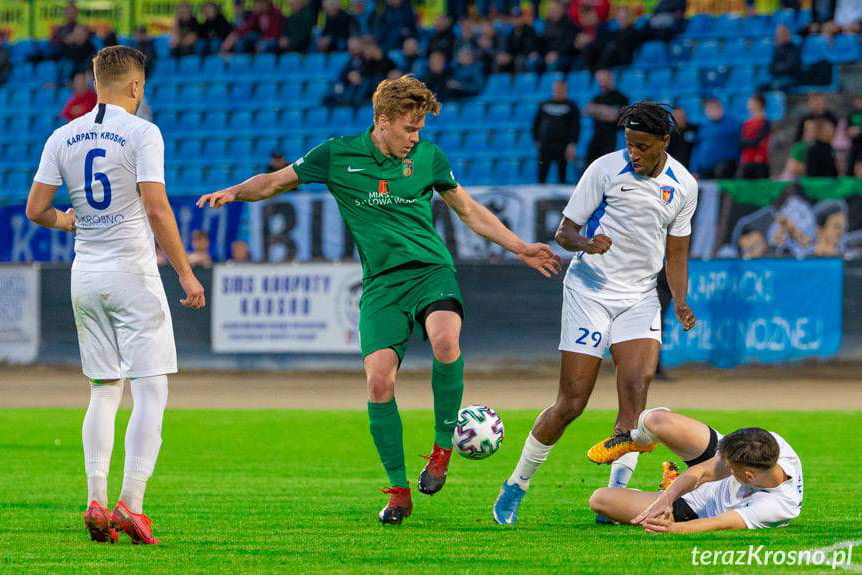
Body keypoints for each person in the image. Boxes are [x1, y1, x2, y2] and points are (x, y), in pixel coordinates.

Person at [197, 75, 560, 525]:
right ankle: (398, 491)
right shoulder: (337, 155)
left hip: (431, 271)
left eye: (420, 129)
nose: (416, 138)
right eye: (410, 128)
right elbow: (275, 182)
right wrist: (235, 191)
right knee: (378, 383)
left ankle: (442, 448)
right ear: (383, 121)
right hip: (382, 286)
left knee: (446, 341)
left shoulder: (429, 157)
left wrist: (520, 246)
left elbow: (470, 211)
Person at [26, 46, 205, 545]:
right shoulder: (142, 132)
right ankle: (132, 503)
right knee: (151, 389)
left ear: (94, 81)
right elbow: (156, 207)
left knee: (104, 390)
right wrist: (186, 274)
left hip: (85, 274)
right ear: (135, 86)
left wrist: (66, 220)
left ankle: (96, 500)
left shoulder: (63, 135)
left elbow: (36, 208)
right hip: (132, 274)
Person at [493, 102, 697, 526]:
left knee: (636, 392)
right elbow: (564, 232)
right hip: (590, 291)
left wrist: (678, 298)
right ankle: (516, 485)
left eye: (642, 146)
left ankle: (615, 497)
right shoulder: (605, 170)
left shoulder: (684, 186)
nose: (634, 153)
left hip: (640, 297)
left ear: (664, 142)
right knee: (571, 402)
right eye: (629, 145)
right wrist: (586, 244)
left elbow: (677, 254)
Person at [588, 408, 803, 532]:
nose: (726, 465)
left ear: (748, 476)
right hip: (715, 467)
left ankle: (660, 490)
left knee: (599, 500)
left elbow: (718, 522)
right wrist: (668, 498)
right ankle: (638, 441)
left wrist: (672, 528)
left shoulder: (776, 506)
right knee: (655, 418)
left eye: (729, 466)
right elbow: (703, 472)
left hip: (696, 507)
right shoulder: (769, 444)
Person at [532, 79, 580, 184]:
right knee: (542, 174)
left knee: (562, 175)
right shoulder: (544, 105)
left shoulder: (572, 106)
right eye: (557, 89)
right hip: (545, 146)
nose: (559, 91)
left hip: (562, 146)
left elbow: (576, 127)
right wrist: (536, 140)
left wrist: (572, 144)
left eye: (562, 89)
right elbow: (535, 124)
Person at [585, 69, 628, 165]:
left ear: (610, 78)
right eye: (599, 79)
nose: (601, 82)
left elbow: (614, 116)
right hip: (597, 136)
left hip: (612, 137)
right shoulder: (597, 97)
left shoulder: (621, 97)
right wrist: (605, 111)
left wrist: (598, 111)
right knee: (590, 165)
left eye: (603, 78)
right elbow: (587, 110)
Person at [690, 99, 740, 179]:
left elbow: (739, 145)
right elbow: (697, 149)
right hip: (704, 170)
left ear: (721, 109)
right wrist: (694, 169)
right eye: (709, 110)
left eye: (714, 108)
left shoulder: (733, 124)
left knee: (722, 170)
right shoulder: (703, 127)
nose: (711, 112)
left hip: (724, 168)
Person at [739, 94, 770, 179]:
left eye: (751, 102)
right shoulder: (746, 123)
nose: (748, 105)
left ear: (759, 104)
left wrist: (747, 142)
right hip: (747, 161)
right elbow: (740, 142)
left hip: (760, 162)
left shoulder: (764, 123)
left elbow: (756, 142)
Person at [764, 25, 801, 93]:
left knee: (777, 86)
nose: (780, 36)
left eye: (783, 34)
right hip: (777, 78)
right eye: (779, 34)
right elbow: (771, 67)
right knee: (761, 87)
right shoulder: (777, 49)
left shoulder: (793, 48)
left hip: (790, 77)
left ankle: (777, 103)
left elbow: (791, 65)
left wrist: (778, 68)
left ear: (788, 35)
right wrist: (777, 68)